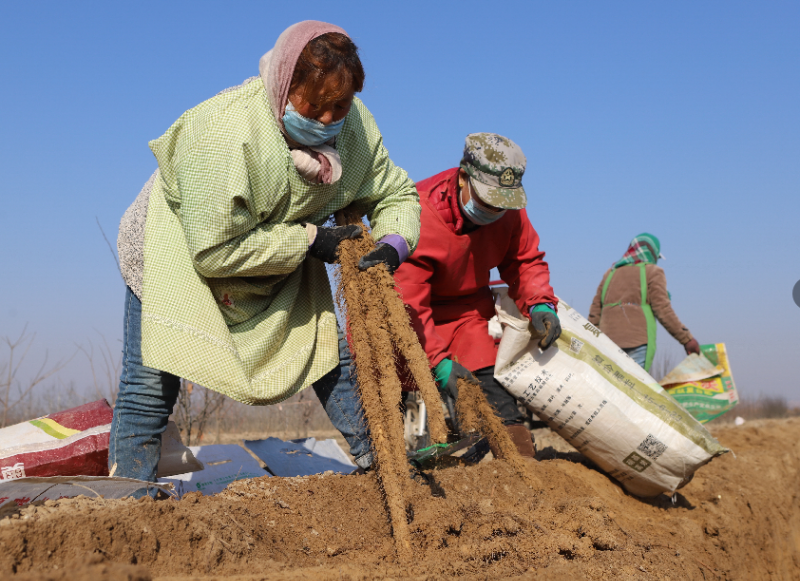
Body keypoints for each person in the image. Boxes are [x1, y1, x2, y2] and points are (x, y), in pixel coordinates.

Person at [112, 21, 420, 487]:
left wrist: (395, 243)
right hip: (180, 245)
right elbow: (214, 251)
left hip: (276, 246)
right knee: (151, 383)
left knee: (328, 355)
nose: (325, 119)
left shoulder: (355, 130)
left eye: (339, 106)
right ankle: (126, 495)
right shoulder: (226, 131)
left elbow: (395, 193)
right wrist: (311, 242)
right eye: (312, 105)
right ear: (283, 85)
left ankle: (387, 466)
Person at [393, 133, 560, 459]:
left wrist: (540, 303)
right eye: (488, 201)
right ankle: (406, 460)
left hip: (467, 311)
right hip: (411, 319)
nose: (496, 210)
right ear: (463, 177)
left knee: (495, 397)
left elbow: (524, 260)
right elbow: (407, 303)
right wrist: (438, 364)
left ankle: (521, 472)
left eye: (503, 203)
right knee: (405, 394)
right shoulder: (416, 212)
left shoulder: (508, 209)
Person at [587, 233, 700, 372]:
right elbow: (662, 309)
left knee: (611, 389)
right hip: (638, 342)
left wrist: (590, 341)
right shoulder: (652, 271)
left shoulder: (610, 273)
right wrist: (687, 339)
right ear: (652, 253)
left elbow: (594, 312)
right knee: (633, 389)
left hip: (606, 342)